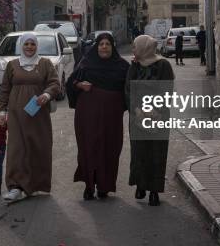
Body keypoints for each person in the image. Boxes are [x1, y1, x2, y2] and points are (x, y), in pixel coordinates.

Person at [66, 33, 130, 200]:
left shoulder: (123, 66)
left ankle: (104, 185)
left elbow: (131, 88)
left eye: (107, 44)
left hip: (112, 116)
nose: (104, 47)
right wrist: (80, 85)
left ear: (112, 46)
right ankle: (89, 185)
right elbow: (70, 84)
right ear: (96, 46)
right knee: (88, 147)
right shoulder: (86, 63)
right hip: (87, 115)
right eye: (101, 43)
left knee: (110, 148)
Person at [0, 33, 60, 201]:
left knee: (38, 147)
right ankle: (15, 187)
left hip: (38, 114)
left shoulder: (45, 64)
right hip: (16, 115)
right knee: (16, 150)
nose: (30, 47)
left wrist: (47, 95)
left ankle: (36, 184)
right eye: (26, 44)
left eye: (32, 44)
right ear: (21, 46)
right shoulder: (12, 65)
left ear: (37, 46)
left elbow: (55, 83)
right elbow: (4, 89)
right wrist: (2, 111)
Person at [126, 35, 175, 206]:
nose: (133, 50)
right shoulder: (134, 65)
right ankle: (140, 186)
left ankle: (154, 191)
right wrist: (137, 110)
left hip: (158, 117)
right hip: (137, 118)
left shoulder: (163, 65)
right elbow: (128, 89)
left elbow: (168, 90)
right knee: (139, 153)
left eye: (135, 46)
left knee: (157, 154)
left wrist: (155, 110)